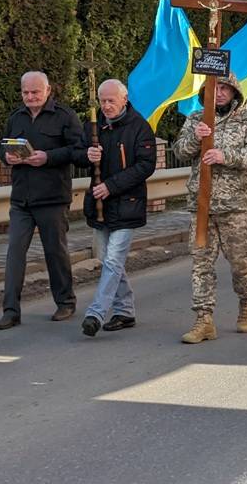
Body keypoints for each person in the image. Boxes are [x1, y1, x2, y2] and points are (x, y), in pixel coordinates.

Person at [174, 73, 247, 344]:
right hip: (201, 204)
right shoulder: (196, 118)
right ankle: (203, 319)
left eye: (225, 88)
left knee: (240, 262)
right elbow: (180, 150)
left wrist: (226, 157)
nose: (219, 93)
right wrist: (196, 137)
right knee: (201, 263)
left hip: (235, 205)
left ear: (234, 92)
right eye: (214, 88)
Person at [0, 72, 84, 331]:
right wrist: (6, 155)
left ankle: (65, 301)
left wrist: (49, 157)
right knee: (14, 254)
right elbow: (2, 146)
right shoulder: (16, 117)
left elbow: (79, 152)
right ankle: (10, 311)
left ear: (48, 90)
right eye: (25, 93)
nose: (30, 97)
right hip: (21, 199)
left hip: (53, 198)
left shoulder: (65, 116)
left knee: (55, 252)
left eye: (35, 92)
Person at [79, 80, 157, 337]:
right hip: (100, 206)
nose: (107, 106)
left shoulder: (139, 128)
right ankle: (125, 310)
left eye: (111, 100)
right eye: (102, 101)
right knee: (107, 260)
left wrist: (111, 186)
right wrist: (87, 156)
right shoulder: (94, 126)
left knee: (113, 260)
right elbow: (78, 155)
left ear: (124, 99)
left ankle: (96, 313)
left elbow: (145, 166)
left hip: (127, 205)